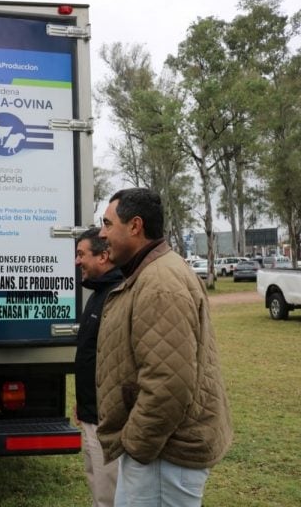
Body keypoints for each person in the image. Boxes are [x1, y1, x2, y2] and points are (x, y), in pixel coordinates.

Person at [97, 188, 232, 507]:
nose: (102, 233)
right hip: (158, 454)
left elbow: (169, 383)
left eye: (107, 223)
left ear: (135, 226)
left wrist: (136, 445)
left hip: (161, 457)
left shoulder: (160, 284)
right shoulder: (151, 273)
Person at [74, 227, 122, 507]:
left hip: (107, 418)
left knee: (109, 494)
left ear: (103, 256)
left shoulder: (115, 295)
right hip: (92, 412)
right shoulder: (98, 293)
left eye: (81, 254)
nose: (77, 261)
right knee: (98, 487)